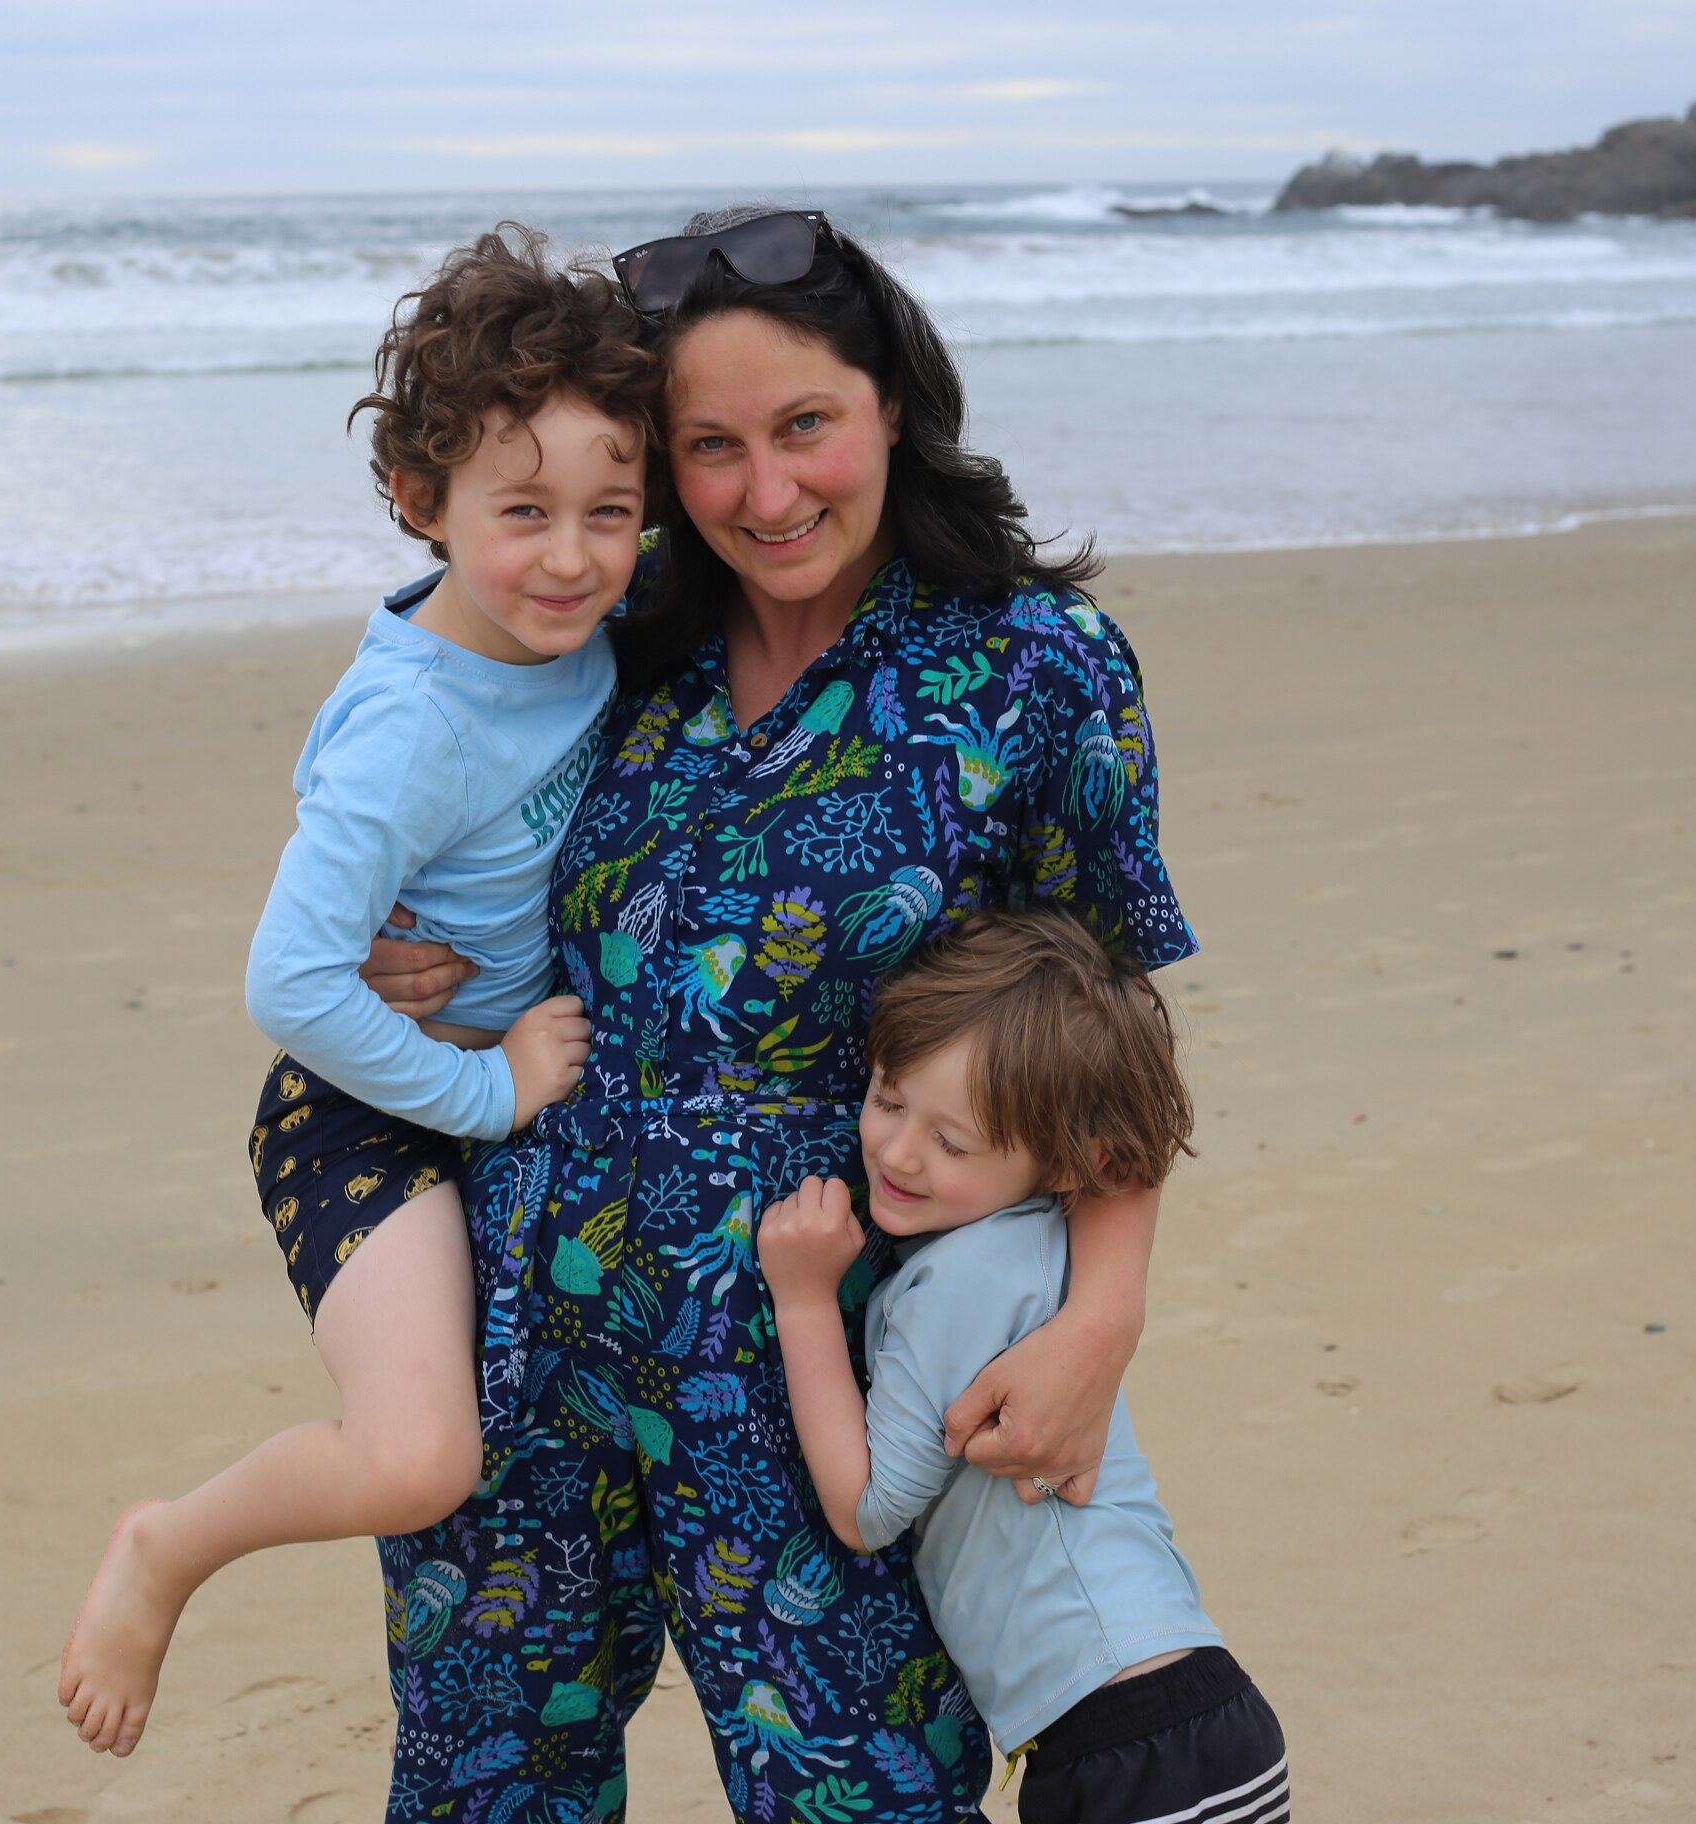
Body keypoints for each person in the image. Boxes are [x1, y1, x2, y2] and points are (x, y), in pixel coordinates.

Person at [347, 205, 1200, 1820]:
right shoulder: (605, 626)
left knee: (860, 1797)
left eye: (804, 425)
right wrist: (414, 948)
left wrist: (1101, 1317)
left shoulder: (1032, 670)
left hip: (818, 1382)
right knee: (477, 1788)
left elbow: (1112, 1040)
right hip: (526, 1339)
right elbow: (417, 747)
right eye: (710, 447)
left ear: (891, 403)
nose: (766, 490)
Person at [55, 227, 655, 1758]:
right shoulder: (411, 726)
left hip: (469, 1093)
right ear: (419, 502)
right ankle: (166, 1545)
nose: (574, 556)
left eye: (611, 510)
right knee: (415, 1462)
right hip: (363, 1113)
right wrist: (487, 1090)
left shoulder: (580, 632)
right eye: (522, 512)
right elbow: (292, 980)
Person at [758, 908, 1288, 1824]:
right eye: (887, 1098)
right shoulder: (1043, 1250)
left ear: (1064, 1163)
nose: (896, 1151)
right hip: (1180, 1708)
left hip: (1124, 1737)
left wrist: (804, 1301)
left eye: (951, 1143)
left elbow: (867, 1510)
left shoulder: (957, 1284)